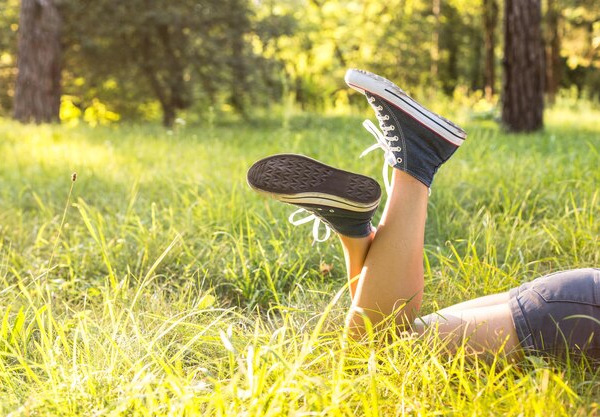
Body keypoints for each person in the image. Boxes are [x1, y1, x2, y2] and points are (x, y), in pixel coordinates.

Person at [247, 69, 600, 361]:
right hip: (580, 315)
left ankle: (355, 232)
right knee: (380, 348)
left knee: (386, 336)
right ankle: (416, 161)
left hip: (579, 295)